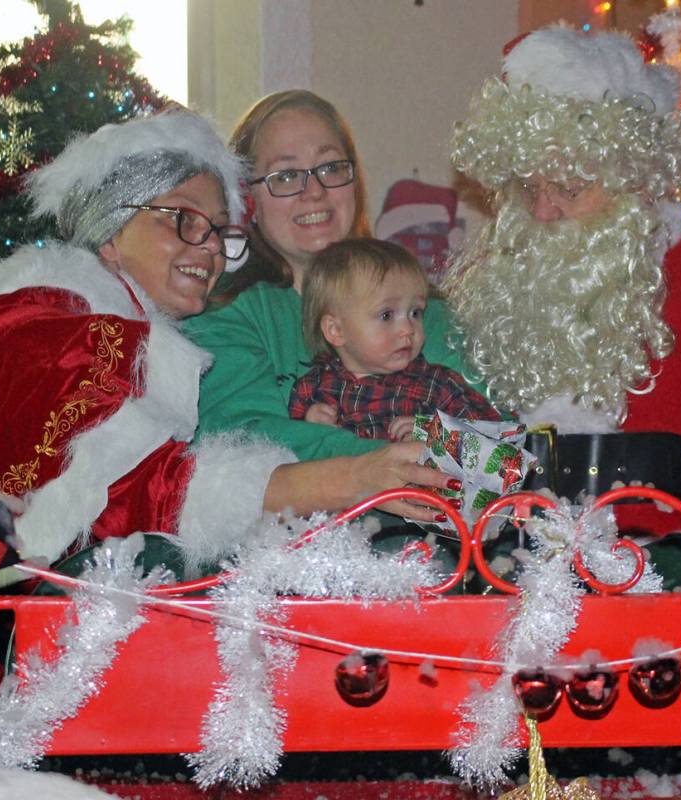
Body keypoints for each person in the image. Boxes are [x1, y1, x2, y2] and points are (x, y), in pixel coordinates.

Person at [0, 109, 445, 572]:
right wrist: (356, 477)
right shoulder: (74, 336)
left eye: (219, 231)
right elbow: (146, 495)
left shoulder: (104, 326)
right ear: (111, 233)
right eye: (184, 219)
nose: (209, 248)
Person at [444, 25, 681, 588]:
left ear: (637, 177)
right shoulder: (494, 294)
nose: (546, 211)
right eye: (529, 190)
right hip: (506, 600)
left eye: (570, 188)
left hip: (676, 616)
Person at [182, 90, 476, 521]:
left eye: (331, 167)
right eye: (285, 176)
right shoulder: (225, 316)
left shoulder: (425, 311)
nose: (314, 192)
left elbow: (497, 441)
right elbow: (245, 444)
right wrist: (386, 462)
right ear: (249, 202)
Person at [289, 237, 499, 441]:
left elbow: (493, 437)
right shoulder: (313, 388)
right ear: (336, 330)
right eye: (386, 315)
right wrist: (310, 427)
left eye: (415, 313)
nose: (408, 329)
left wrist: (434, 432)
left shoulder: (437, 384)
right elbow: (284, 448)